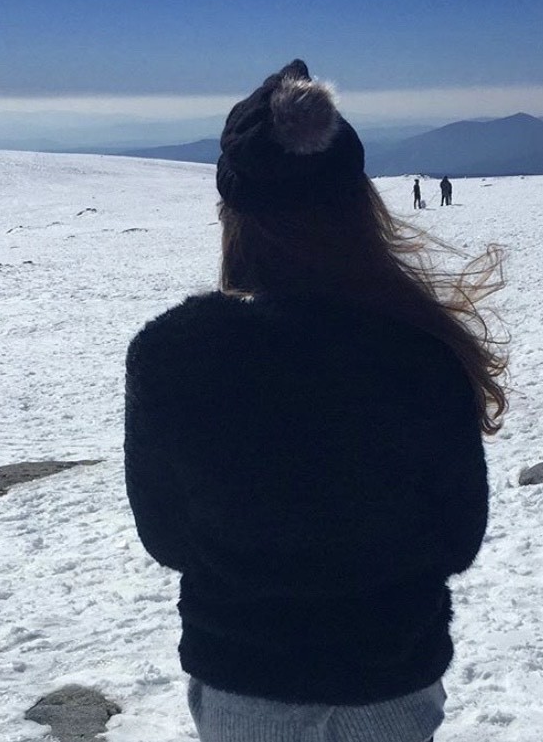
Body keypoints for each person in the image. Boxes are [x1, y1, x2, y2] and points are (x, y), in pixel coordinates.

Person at [124, 59, 507, 742]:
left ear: (233, 216)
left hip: (244, 678)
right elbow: (457, 536)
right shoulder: (420, 351)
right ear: (360, 205)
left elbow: (166, 536)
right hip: (389, 675)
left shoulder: (173, 353)